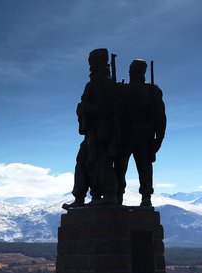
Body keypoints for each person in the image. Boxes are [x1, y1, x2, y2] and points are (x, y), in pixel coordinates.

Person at [63, 48, 117, 209]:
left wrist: (85, 106)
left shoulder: (102, 84)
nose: (90, 67)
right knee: (83, 161)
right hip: (91, 132)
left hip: (102, 132)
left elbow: (105, 109)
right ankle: (80, 197)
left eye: (92, 63)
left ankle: (108, 195)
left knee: (101, 162)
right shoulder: (94, 84)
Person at [115, 59, 166, 207]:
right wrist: (159, 137)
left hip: (131, 136)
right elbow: (161, 117)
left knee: (126, 167)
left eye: (133, 69)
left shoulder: (122, 90)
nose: (131, 72)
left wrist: (159, 137)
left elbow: (160, 115)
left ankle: (127, 197)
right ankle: (143, 197)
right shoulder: (150, 90)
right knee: (138, 168)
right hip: (138, 136)